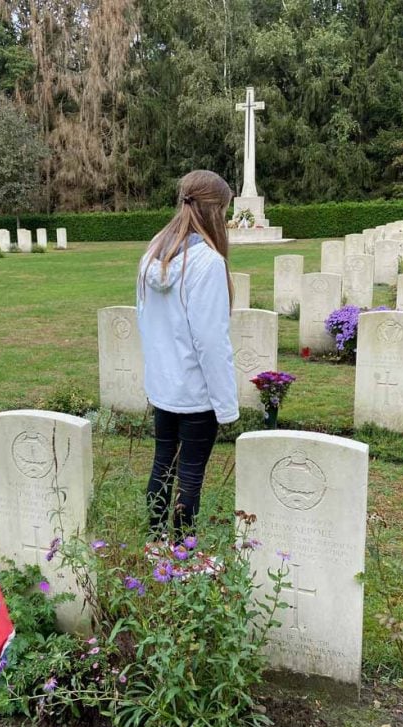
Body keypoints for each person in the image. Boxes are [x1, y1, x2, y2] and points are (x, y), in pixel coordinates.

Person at [136, 170, 239, 539]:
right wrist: (226, 406)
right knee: (189, 476)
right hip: (196, 394)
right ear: (216, 211)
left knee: (163, 465)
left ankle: (155, 542)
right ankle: (180, 553)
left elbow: (145, 321)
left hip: (164, 387)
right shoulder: (206, 263)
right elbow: (211, 342)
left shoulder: (153, 253)